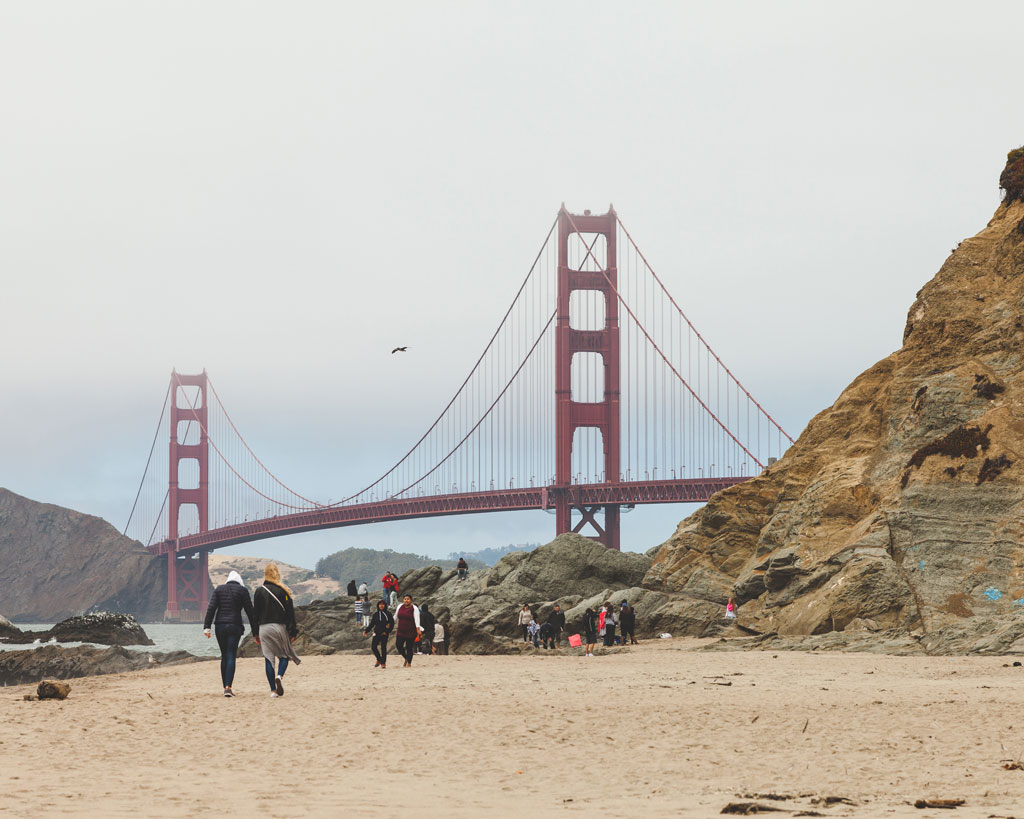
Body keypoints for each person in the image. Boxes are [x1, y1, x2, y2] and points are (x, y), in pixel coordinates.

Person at [203, 570, 256, 697]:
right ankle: (228, 687)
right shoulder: (243, 591)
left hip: (220, 626)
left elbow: (211, 608)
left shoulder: (219, 589)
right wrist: (256, 631)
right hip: (235, 625)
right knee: (231, 654)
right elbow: (250, 611)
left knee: (224, 655)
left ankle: (224, 687)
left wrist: (207, 627)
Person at [254, 563, 301, 698]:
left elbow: (254, 614)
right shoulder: (284, 591)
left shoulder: (259, 591)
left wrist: (255, 633)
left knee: (269, 659)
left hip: (264, 628)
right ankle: (279, 676)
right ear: (277, 574)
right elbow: (290, 613)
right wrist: (293, 631)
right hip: (280, 627)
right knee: (284, 656)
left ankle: (273, 691)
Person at [393, 594, 422, 667]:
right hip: (400, 630)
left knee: (409, 647)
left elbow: (417, 619)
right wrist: (389, 623)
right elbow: (395, 616)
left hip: (411, 631)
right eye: (405, 599)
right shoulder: (400, 606)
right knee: (398, 645)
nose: (406, 600)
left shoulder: (414, 608)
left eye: (408, 599)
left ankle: (409, 663)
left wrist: (418, 629)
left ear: (411, 600)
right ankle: (406, 657)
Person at [363, 599, 394, 669]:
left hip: (384, 634)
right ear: (378, 605)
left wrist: (386, 631)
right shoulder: (375, 614)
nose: (381, 605)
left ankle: (383, 663)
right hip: (376, 633)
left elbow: (392, 624)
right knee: (373, 647)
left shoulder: (388, 614)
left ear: (385, 605)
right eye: (380, 604)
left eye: (383, 604)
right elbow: (372, 624)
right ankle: (379, 659)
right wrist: (366, 630)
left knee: (383, 648)